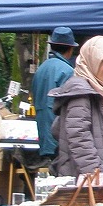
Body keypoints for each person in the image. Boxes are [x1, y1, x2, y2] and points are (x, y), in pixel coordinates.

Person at [49, 36, 103, 184]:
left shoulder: (100, 90)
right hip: (85, 181)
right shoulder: (81, 91)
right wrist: (98, 178)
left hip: (93, 179)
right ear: (92, 60)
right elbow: (79, 138)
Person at [31, 27, 77, 168]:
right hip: (59, 136)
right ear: (70, 49)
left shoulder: (41, 69)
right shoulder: (68, 71)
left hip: (43, 133)